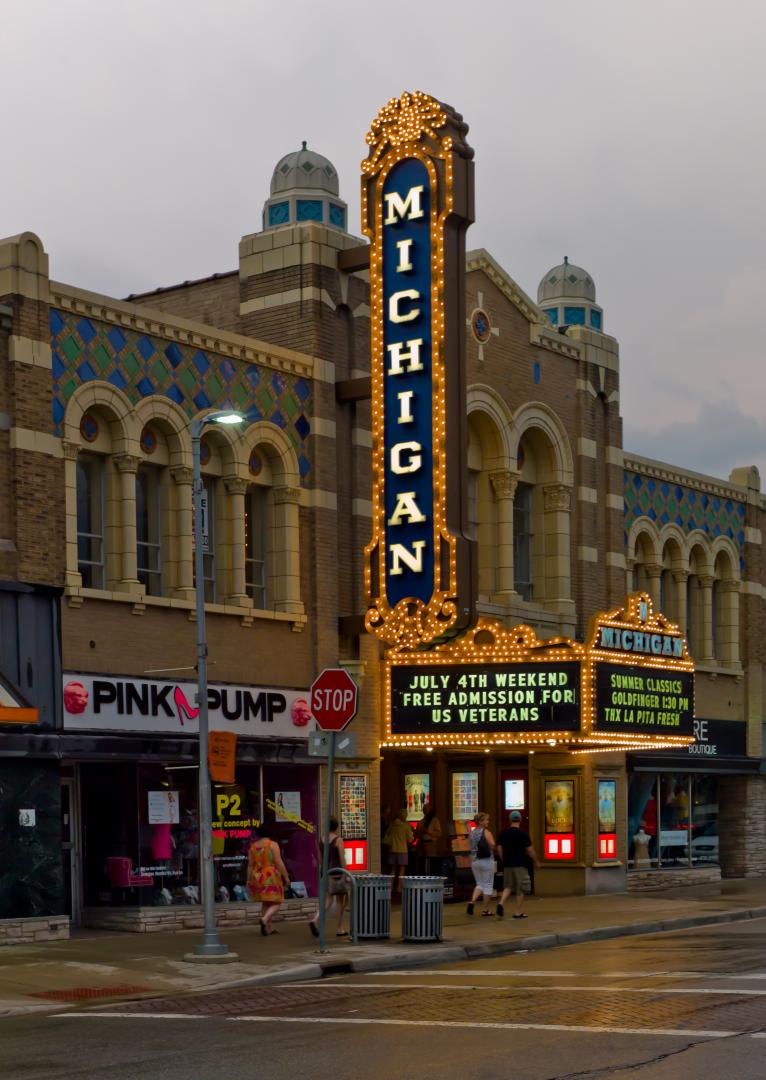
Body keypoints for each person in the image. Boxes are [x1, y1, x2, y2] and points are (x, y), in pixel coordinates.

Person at [309, 816, 349, 938]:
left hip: (326, 873)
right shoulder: (338, 840)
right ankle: (339, 928)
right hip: (338, 872)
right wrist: (346, 873)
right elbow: (342, 858)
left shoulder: (321, 839)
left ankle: (315, 919)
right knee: (341, 902)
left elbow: (320, 858)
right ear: (336, 827)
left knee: (328, 900)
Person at [246, 824, 290, 935]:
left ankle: (268, 928)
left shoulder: (253, 846)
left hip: (258, 876)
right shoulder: (272, 845)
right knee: (277, 901)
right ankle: (265, 919)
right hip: (270, 875)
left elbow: (250, 865)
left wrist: (248, 879)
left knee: (266, 902)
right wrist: (286, 876)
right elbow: (278, 862)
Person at [495, 810, 540, 919]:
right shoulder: (523, 834)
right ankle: (518, 912)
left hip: (507, 864)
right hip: (520, 864)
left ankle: (500, 903)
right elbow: (529, 850)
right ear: (520, 820)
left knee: (508, 886)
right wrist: (536, 861)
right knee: (521, 888)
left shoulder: (503, 833)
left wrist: (503, 859)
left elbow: (499, 848)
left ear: (510, 820)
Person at [467, 812, 496, 917]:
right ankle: (485, 909)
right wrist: (491, 847)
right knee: (488, 885)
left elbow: (470, 846)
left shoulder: (472, 833)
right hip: (486, 861)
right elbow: (492, 844)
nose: (488, 822)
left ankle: (472, 902)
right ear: (480, 822)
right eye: (486, 820)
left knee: (479, 884)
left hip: (475, 862)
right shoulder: (486, 832)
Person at [383, 809, 414, 897]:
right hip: (402, 850)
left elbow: (386, 835)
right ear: (403, 816)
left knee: (392, 870)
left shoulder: (392, 825)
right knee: (401, 871)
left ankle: (390, 887)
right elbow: (410, 839)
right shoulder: (406, 826)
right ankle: (399, 888)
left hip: (392, 850)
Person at [416, 804, 442, 874]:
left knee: (431, 863)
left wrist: (429, 832)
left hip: (430, 844)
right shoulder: (421, 821)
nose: (425, 811)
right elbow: (417, 833)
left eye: (426, 809)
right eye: (424, 809)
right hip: (421, 843)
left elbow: (439, 833)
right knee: (422, 863)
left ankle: (431, 877)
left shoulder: (434, 820)